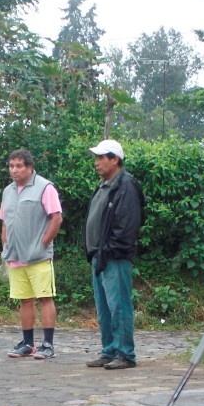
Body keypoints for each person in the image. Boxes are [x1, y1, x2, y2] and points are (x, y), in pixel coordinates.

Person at [84, 139, 145, 370]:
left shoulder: (126, 185)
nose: (97, 163)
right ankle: (109, 350)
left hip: (114, 257)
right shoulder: (104, 185)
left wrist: (110, 251)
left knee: (119, 305)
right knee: (104, 308)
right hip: (99, 256)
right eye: (96, 158)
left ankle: (125, 353)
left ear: (115, 160)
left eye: (101, 158)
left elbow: (127, 225)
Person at [0, 149, 63, 360]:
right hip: (15, 255)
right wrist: (6, 245)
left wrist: (43, 244)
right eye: (11, 166)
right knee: (24, 300)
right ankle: (27, 343)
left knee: (45, 297)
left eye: (19, 166)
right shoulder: (8, 191)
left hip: (38, 256)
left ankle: (48, 344)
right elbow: (5, 222)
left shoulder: (45, 188)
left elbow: (56, 218)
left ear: (30, 167)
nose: (14, 170)